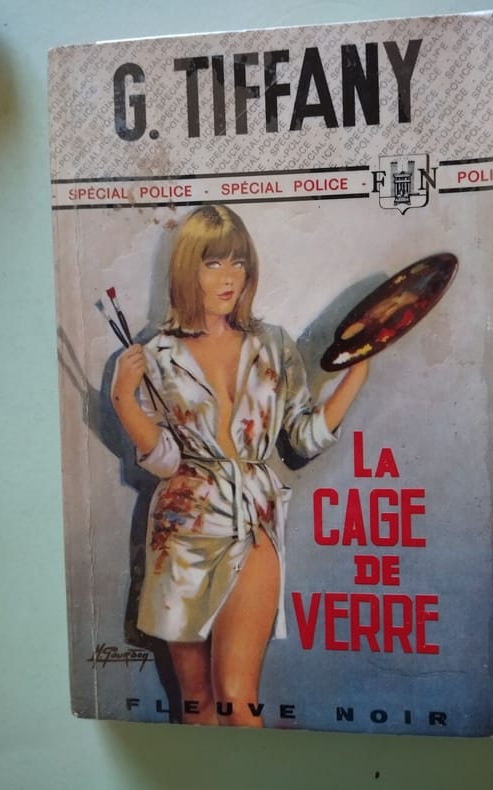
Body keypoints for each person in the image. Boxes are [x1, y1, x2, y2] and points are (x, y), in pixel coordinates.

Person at [111, 205, 368, 727]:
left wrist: (355, 377)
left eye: (238, 262)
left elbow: (301, 439)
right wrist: (123, 399)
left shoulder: (272, 344)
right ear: (187, 268)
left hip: (253, 522)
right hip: (181, 532)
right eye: (213, 263)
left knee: (236, 696)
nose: (229, 277)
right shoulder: (156, 354)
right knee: (196, 702)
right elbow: (166, 461)